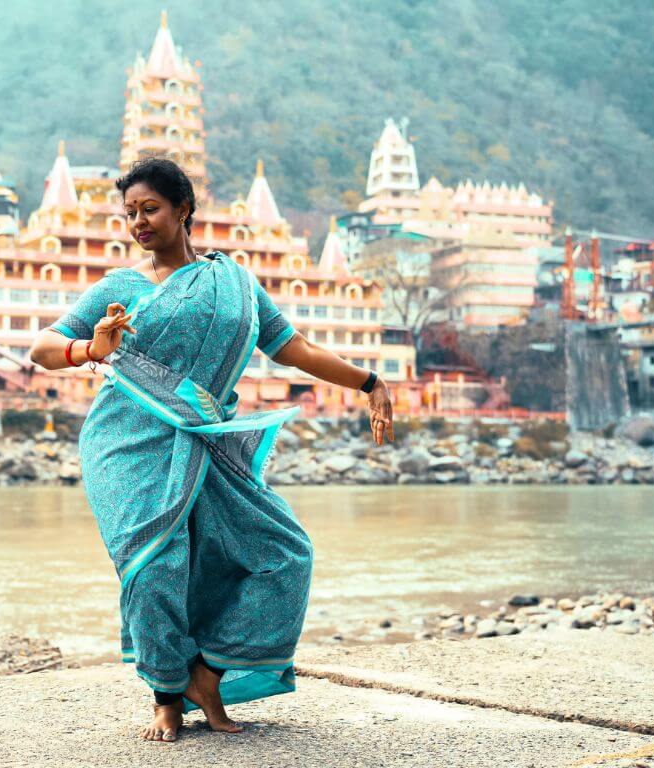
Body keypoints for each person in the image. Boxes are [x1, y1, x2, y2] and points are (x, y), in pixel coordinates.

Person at [30, 157, 395, 742]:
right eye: (129, 214)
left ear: (183, 210)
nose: (138, 223)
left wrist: (369, 383)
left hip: (207, 441)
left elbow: (294, 349)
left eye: (150, 209)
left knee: (284, 555)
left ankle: (207, 672)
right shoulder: (118, 288)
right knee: (158, 566)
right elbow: (43, 349)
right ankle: (166, 696)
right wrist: (90, 348)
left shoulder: (236, 285)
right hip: (126, 442)